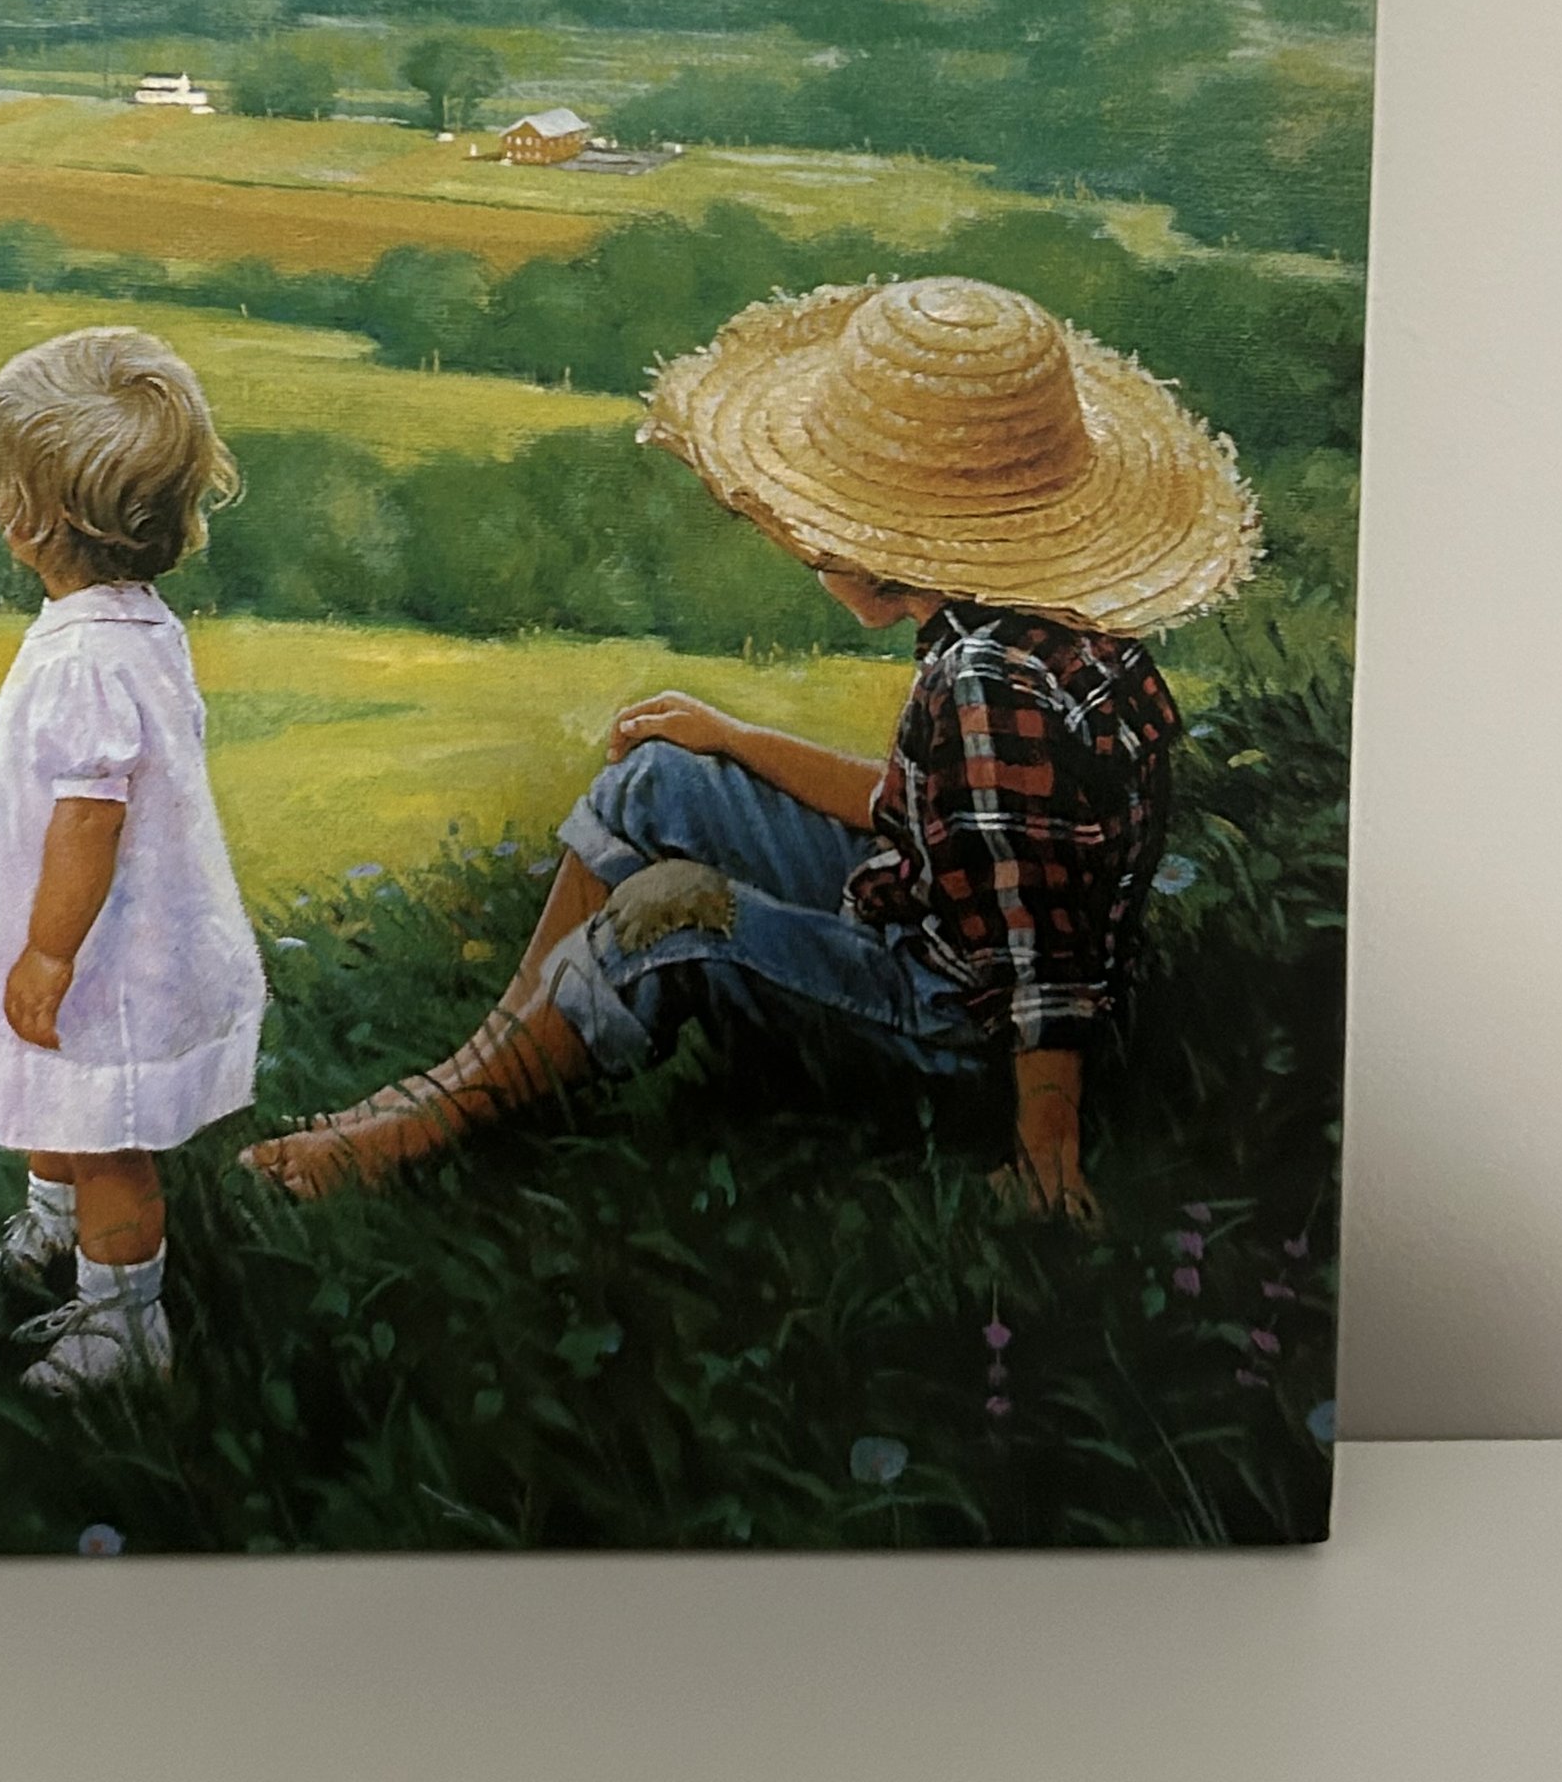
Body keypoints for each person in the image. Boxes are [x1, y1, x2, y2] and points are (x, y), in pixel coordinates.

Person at [243, 274, 1257, 1223]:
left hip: (950, 1021)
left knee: (667, 911)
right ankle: (472, 1065)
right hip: (928, 916)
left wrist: (1047, 1157)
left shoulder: (989, 682)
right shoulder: (1041, 631)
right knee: (659, 781)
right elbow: (927, 814)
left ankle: (423, 1131)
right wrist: (729, 738)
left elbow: (1040, 949)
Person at [0, 327, 265, 1391]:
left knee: (109, 1136)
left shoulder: (85, 660)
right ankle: (55, 1223)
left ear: (27, 519)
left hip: (106, 950)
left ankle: (125, 1322)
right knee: (58, 1095)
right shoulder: (134, 626)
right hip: (120, 928)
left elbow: (89, 822)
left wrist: (49, 951)